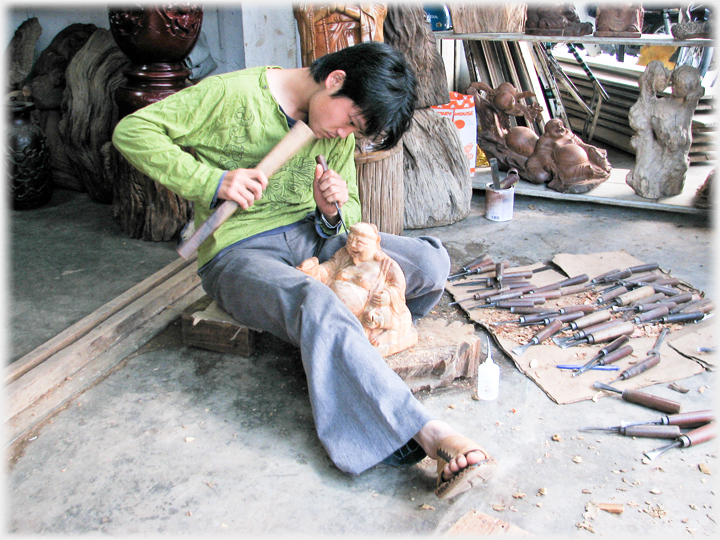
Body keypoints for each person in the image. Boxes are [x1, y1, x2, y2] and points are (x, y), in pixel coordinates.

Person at [112, 41, 496, 499]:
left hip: (317, 238)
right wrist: (212, 181)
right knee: (317, 299)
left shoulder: (333, 128)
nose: (344, 135)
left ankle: (344, 335)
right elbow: (134, 131)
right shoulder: (233, 97)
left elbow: (351, 214)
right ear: (335, 81)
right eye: (351, 122)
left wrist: (331, 210)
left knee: (430, 262)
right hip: (241, 251)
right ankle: (424, 431)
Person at [297, 221, 418, 357]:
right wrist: (314, 270)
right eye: (350, 241)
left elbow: (398, 287)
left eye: (359, 242)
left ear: (374, 243)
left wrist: (388, 295)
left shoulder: (386, 266)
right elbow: (329, 268)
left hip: (364, 317)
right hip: (329, 307)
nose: (352, 246)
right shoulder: (344, 254)